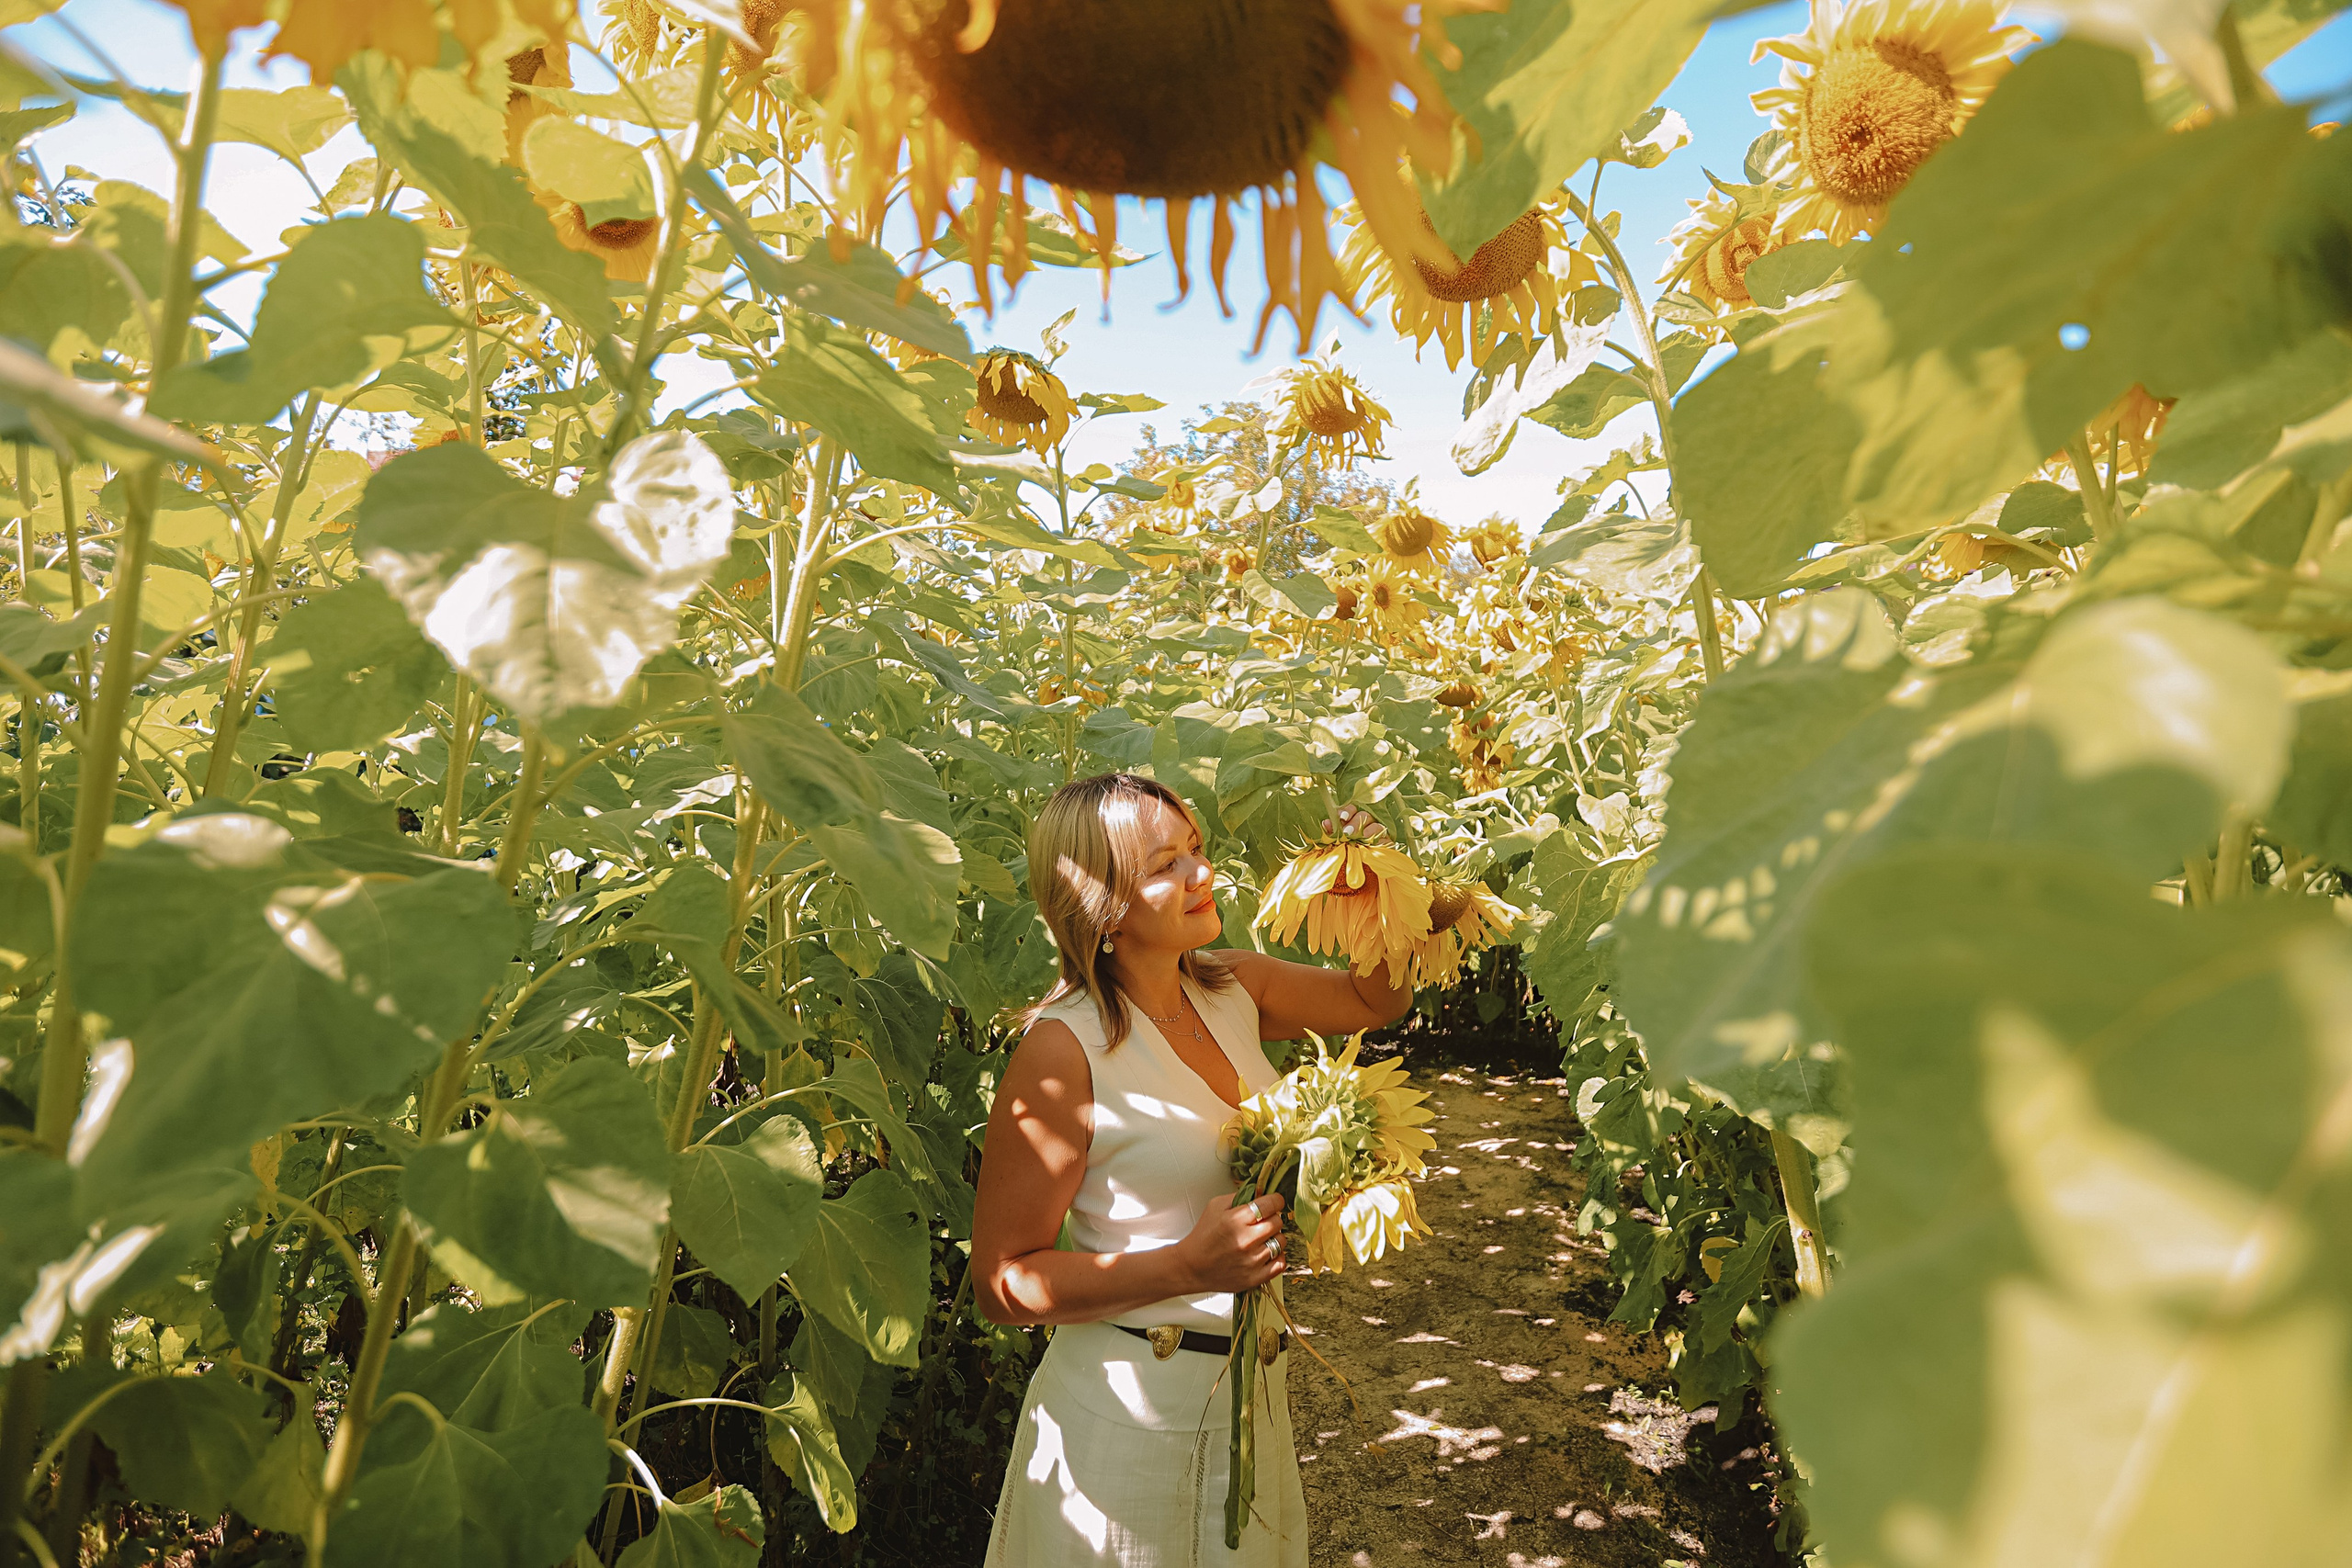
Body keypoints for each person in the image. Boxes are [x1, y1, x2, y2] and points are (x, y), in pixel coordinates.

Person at [972, 773, 1415, 1566]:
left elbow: (1376, 1000)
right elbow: (1002, 1282)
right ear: (1100, 905)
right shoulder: (1060, 1051)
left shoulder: (1231, 986)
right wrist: (1186, 1264)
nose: (1201, 873)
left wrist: (1372, 882)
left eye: (1198, 848)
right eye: (1165, 863)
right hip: (1123, 1426)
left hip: (1252, 1403)